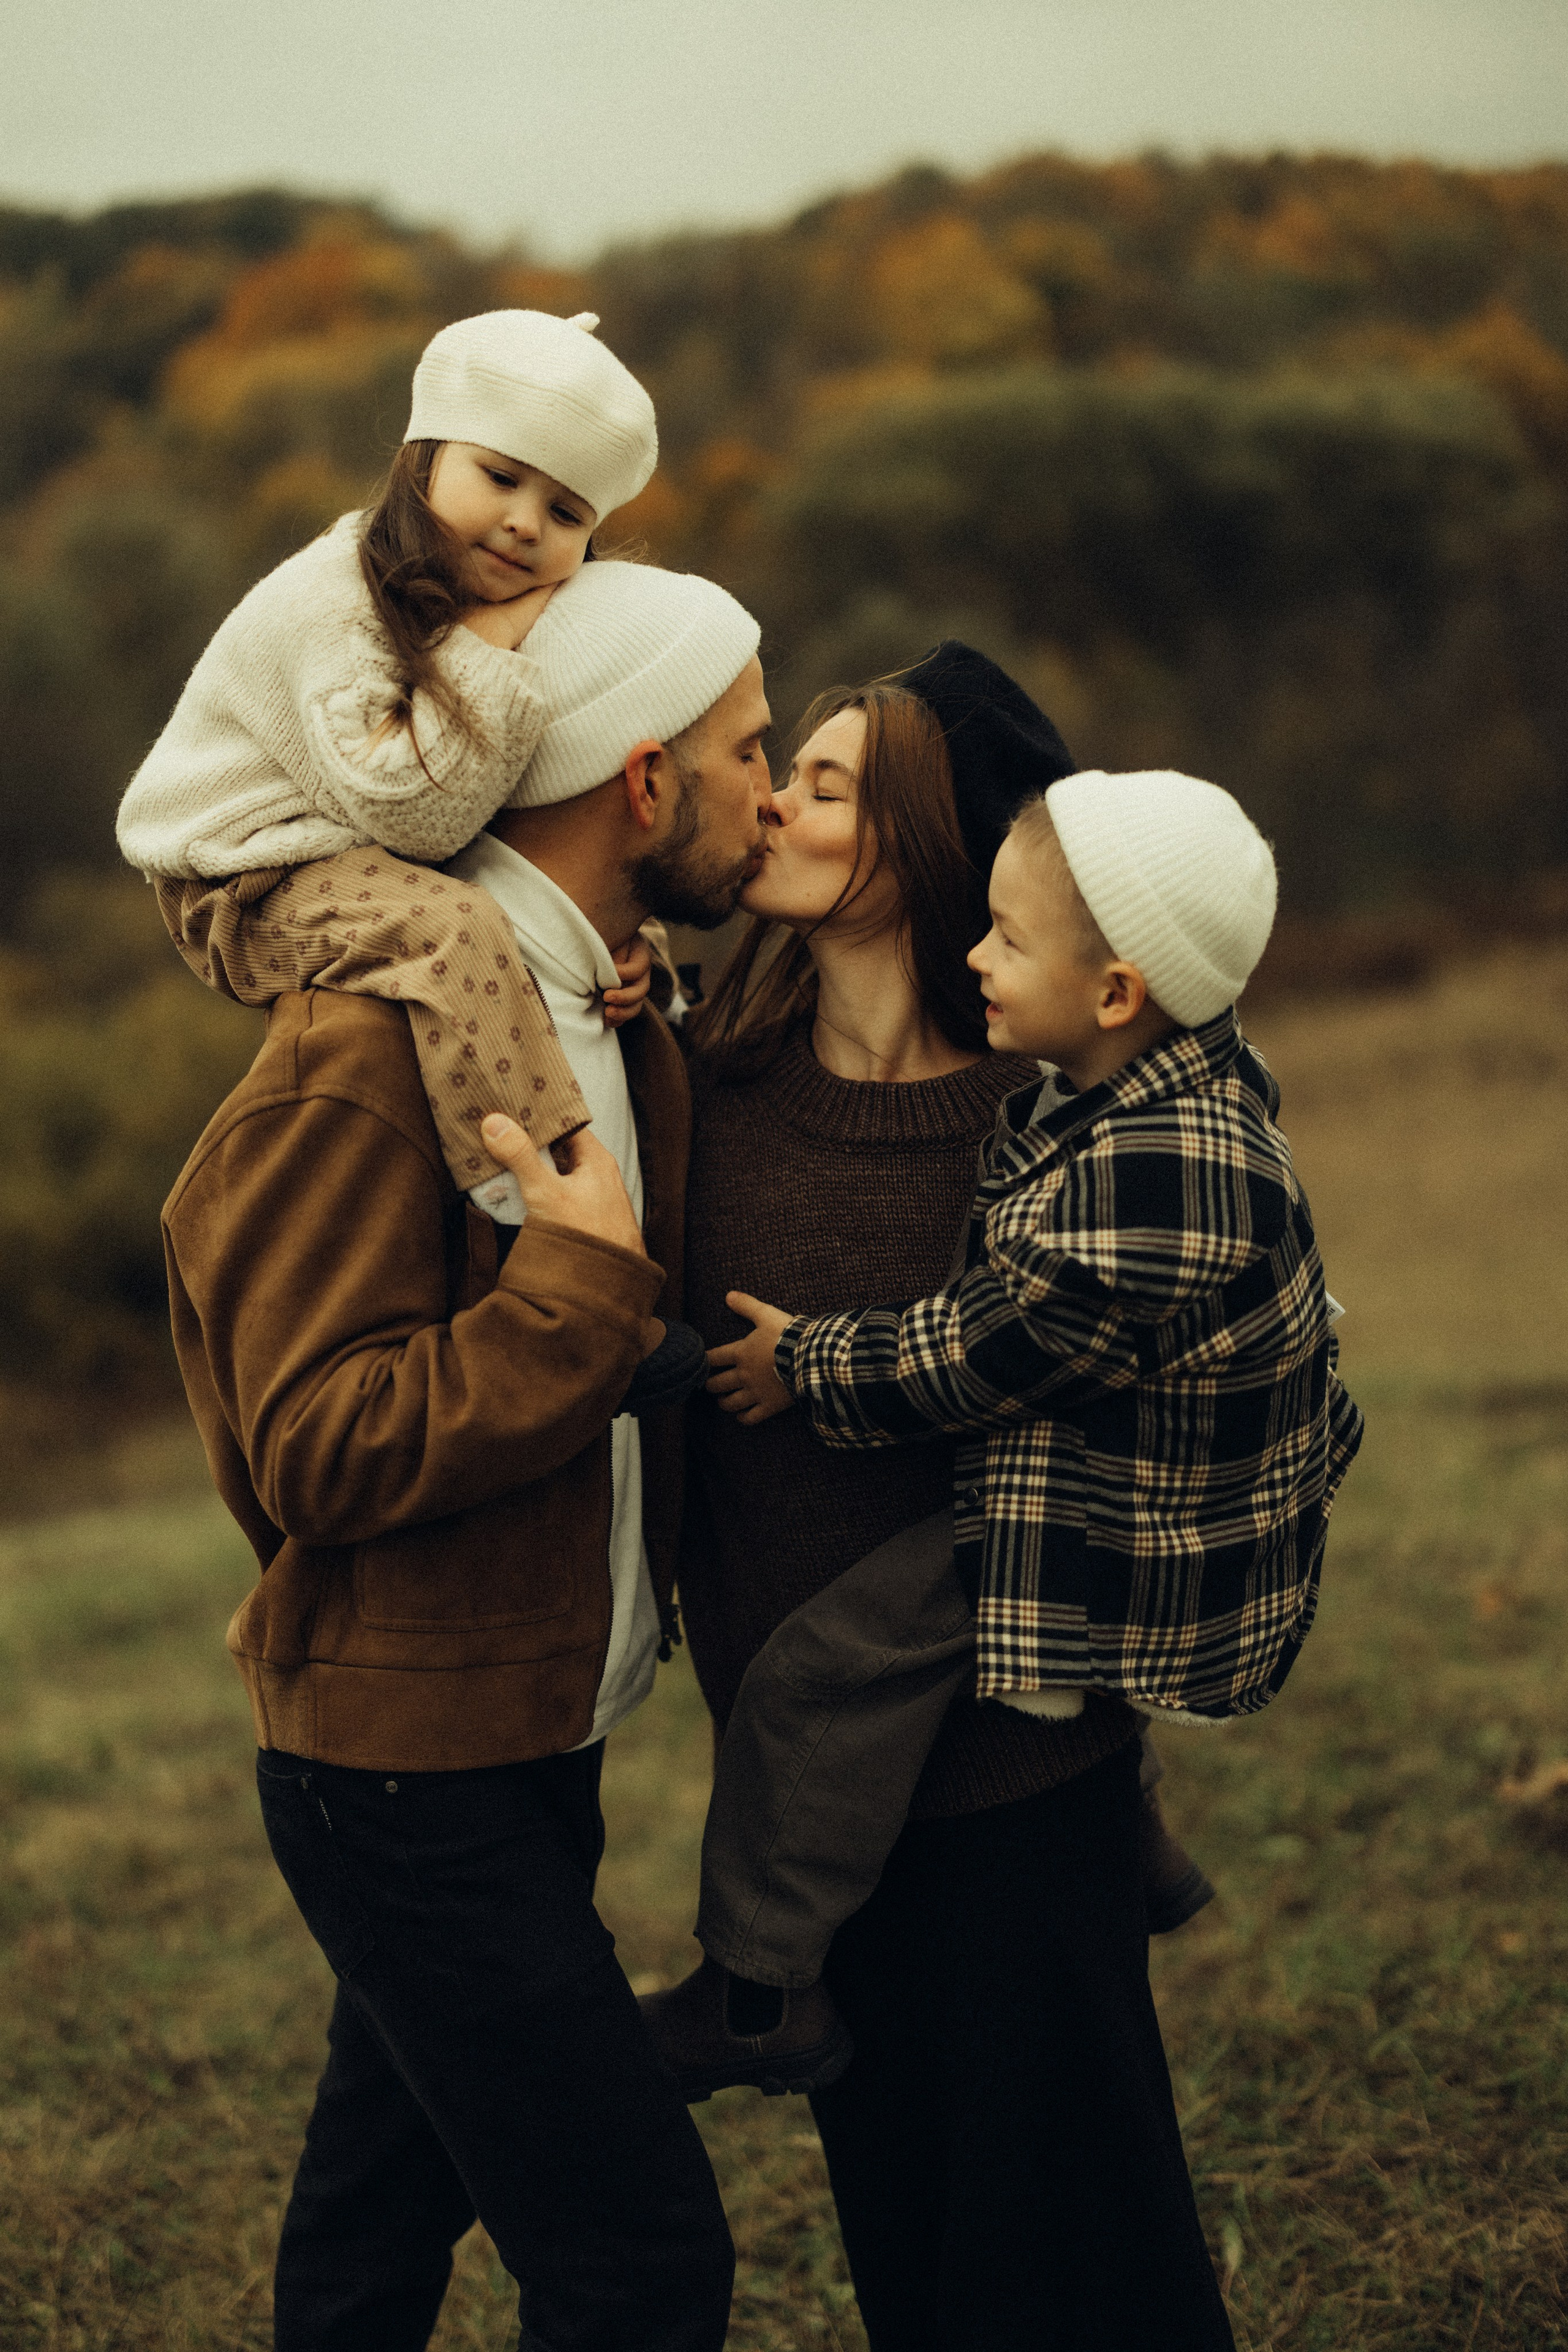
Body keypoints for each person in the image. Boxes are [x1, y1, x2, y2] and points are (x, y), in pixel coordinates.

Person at [160, 557, 770, 2352]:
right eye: (749, 751)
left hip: (522, 1743)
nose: (776, 783)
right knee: (642, 2264)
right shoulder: (373, 1044)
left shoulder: (605, 1003)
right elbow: (311, 1449)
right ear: (645, 783)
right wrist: (578, 1290)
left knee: (378, 2217)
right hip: (402, 1782)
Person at [606, 643, 1240, 2349]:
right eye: (785, 767)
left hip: (1024, 1767)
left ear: (928, 833)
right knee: (915, 2241)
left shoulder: (1053, 1120)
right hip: (804, 1785)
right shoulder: (702, 1087)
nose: (778, 798)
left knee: (1087, 2236)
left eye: (828, 779)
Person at [649, 752, 1363, 2148]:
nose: (974, 953)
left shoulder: (1157, 1168)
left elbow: (981, 1347)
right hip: (1123, 1481)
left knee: (819, 1681)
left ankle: (756, 1988)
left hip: (1112, 1523)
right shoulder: (1151, 1074)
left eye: (1004, 935)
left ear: (1112, 993)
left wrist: (800, 1363)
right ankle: (1139, 1842)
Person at [118, 307, 665, 1207]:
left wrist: (621, 941)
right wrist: (489, 638)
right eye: (500, 476)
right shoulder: (332, 600)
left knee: (507, 913)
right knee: (452, 932)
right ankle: (546, 1200)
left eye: (565, 512)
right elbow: (413, 810)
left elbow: (552, 804)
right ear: (425, 458)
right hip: (242, 877)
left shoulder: (503, 610)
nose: (525, 524)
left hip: (359, 853)